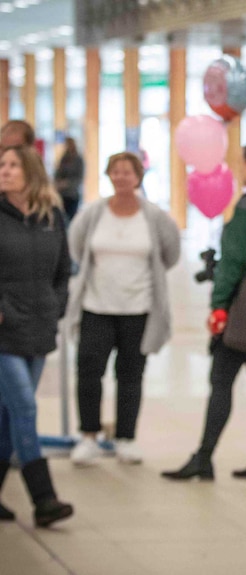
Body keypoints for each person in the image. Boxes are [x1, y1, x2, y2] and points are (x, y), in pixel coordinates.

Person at [162, 138, 246, 481]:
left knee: (221, 383)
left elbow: (232, 262)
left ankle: (203, 458)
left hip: (241, 311)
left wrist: (218, 307)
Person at [67, 152, 181, 466]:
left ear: (137, 176)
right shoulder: (93, 213)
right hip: (95, 307)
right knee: (89, 373)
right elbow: (77, 247)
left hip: (138, 308)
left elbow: (170, 253)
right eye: (115, 171)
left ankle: (126, 438)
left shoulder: (154, 216)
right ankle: (88, 436)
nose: (121, 177)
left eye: (127, 172)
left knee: (130, 375)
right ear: (108, 175)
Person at [0, 145, 74, 527]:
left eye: (13, 164)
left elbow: (64, 269)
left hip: (40, 326)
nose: (5, 170)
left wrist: (56, 305)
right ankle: (44, 499)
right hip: (4, 332)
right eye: (2, 165)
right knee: (26, 409)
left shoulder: (51, 216)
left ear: (30, 171)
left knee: (9, 415)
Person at [54, 137, 85, 222]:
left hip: (72, 194)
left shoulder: (78, 159)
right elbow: (57, 173)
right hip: (61, 194)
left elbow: (79, 178)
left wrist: (67, 183)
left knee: (71, 218)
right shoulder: (64, 158)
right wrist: (57, 184)